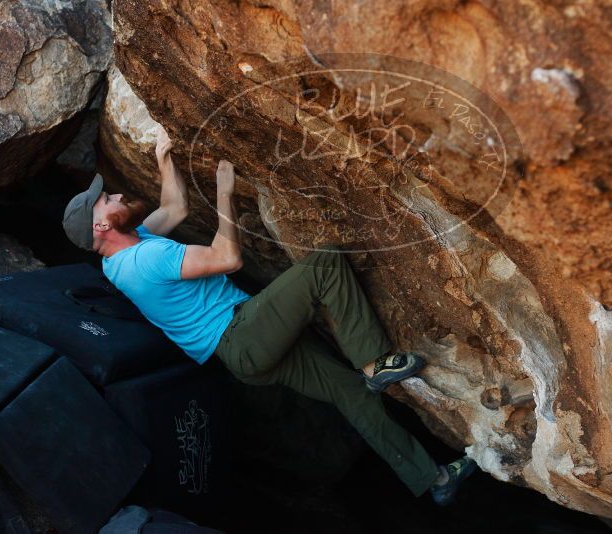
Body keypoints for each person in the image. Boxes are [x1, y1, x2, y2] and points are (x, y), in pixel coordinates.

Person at [61, 124, 476, 505]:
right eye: (107, 200)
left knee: (348, 394)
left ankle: (432, 480)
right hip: (241, 335)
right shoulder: (145, 260)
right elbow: (228, 258)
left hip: (244, 353)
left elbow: (175, 208)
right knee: (325, 265)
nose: (115, 195)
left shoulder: (122, 255)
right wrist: (224, 193)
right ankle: (374, 362)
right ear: (101, 226)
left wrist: (164, 160)